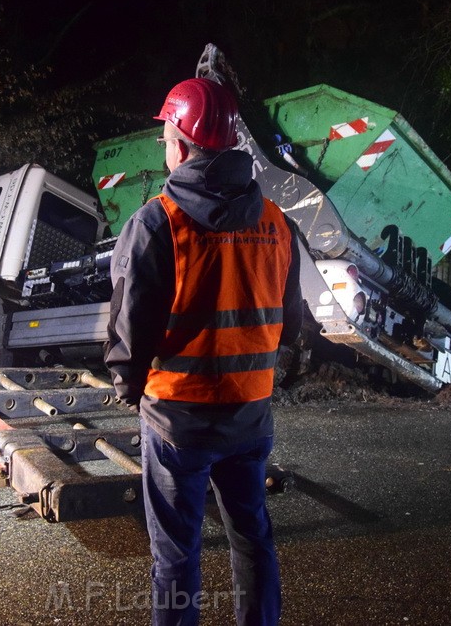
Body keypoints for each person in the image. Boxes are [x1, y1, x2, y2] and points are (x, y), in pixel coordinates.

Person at [106, 78, 303, 626]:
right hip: (250, 415)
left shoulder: (156, 221)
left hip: (177, 420)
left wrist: (127, 385)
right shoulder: (276, 223)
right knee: (253, 539)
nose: (165, 147)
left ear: (183, 145)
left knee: (176, 557)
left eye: (167, 136)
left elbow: (130, 326)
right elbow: (292, 326)